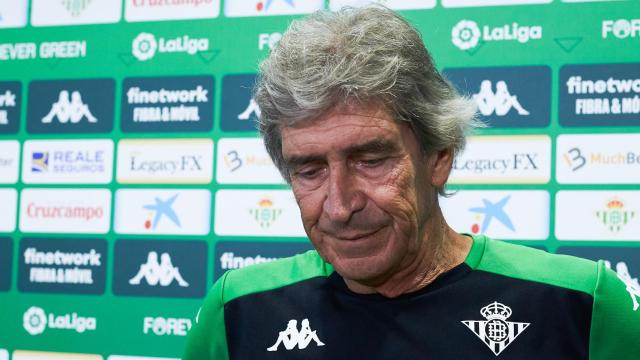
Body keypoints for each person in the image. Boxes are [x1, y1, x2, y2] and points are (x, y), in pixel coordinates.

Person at [184, 6, 639, 359]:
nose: (339, 206)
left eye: (370, 160)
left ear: (439, 157)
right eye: (310, 170)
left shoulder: (581, 304)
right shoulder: (238, 312)